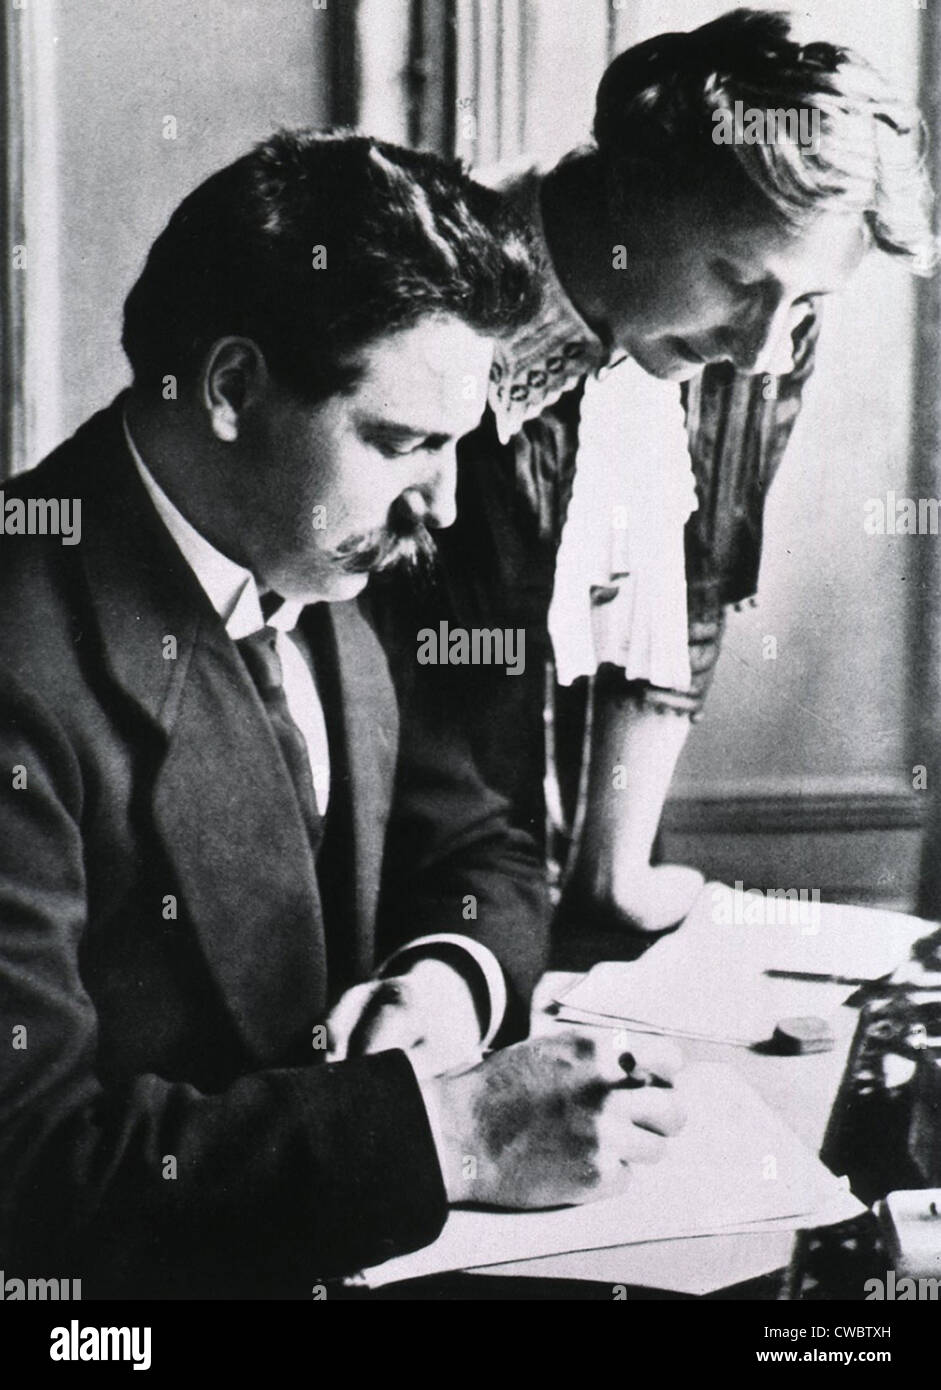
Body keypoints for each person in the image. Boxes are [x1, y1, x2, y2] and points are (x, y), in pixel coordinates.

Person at [0, 129, 684, 1299]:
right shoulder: (24, 649)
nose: (443, 503)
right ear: (229, 390)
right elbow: (35, 1172)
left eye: (455, 446)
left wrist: (444, 983)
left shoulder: (316, 549)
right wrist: (452, 1134)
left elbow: (477, 845)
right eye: (405, 442)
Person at [425, 7, 937, 934]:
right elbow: (414, 664)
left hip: (555, 902)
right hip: (414, 886)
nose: (760, 350)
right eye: (738, 280)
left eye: (806, 304)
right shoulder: (438, 301)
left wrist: (612, 875)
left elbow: (696, 573)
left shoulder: (759, 339)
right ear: (633, 187)